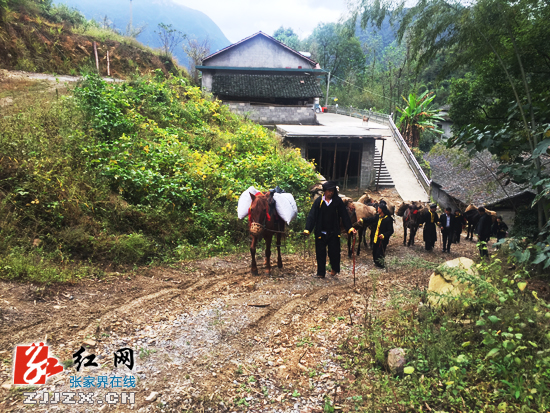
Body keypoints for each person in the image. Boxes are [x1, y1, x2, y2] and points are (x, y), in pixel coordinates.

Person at [303, 181, 356, 278]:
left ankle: (334, 269)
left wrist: (350, 228)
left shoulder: (337, 202)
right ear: (325, 191)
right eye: (328, 191)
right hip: (320, 232)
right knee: (320, 253)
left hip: (333, 233)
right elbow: (312, 216)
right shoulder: (319, 202)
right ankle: (320, 273)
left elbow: (344, 215)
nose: (330, 193)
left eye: (332, 191)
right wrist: (308, 229)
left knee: (334, 252)